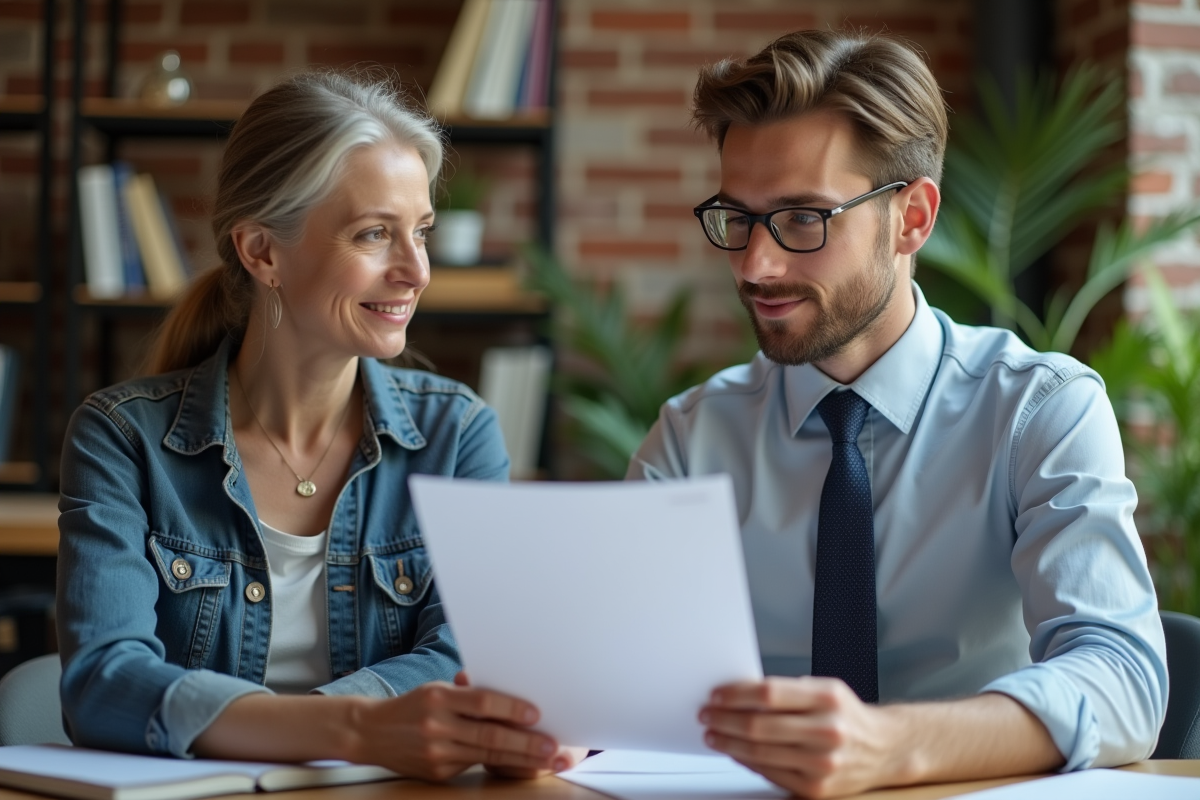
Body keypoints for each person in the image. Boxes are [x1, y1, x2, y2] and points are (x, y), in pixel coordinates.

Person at [627, 30, 1168, 798]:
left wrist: (890, 745)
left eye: (804, 219)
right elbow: (617, 684)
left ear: (911, 218)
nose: (755, 264)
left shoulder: (1040, 409)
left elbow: (1124, 680)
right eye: (737, 219)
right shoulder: (689, 437)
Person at [56, 71, 580, 781]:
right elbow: (103, 683)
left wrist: (298, 729)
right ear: (263, 252)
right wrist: (357, 727)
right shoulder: (120, 438)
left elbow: (470, 656)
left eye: (420, 232)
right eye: (374, 234)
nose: (416, 271)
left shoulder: (458, 434)